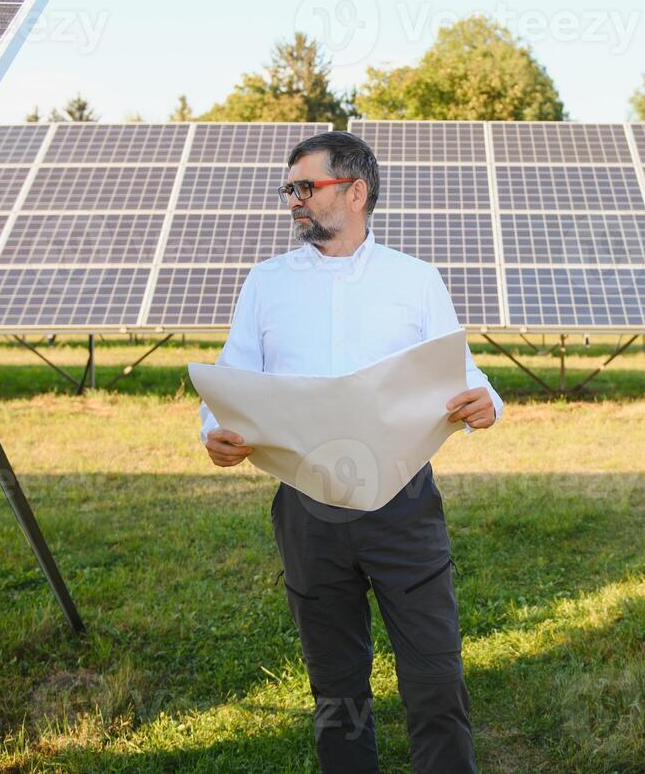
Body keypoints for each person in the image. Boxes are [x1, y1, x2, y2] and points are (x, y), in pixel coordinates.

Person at [198, 130, 502, 774]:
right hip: (308, 509)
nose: (293, 201)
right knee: (335, 685)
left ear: (355, 191)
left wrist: (486, 404)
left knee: (434, 673)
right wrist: (214, 430)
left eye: (306, 187)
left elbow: (464, 374)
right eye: (289, 189)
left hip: (403, 504)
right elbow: (233, 376)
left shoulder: (415, 280)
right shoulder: (265, 283)